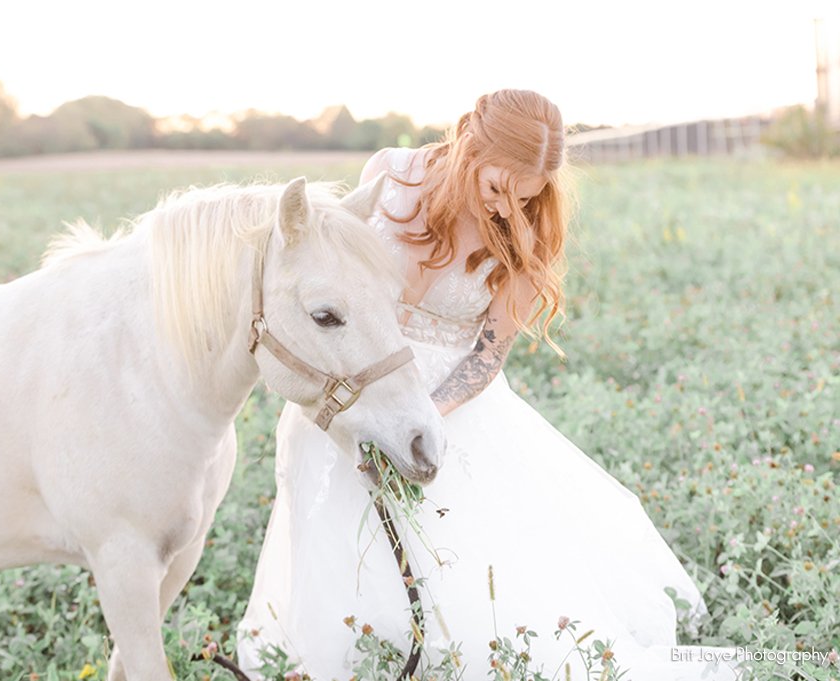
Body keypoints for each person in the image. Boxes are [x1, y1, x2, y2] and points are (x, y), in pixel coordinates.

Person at [236, 90, 739, 680]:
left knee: (455, 560)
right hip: (351, 376)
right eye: (500, 189)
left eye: (523, 197)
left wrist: (425, 413)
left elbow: (487, 354)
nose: (507, 209)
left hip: (446, 402)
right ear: (469, 147)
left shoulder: (526, 231)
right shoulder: (389, 174)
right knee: (328, 522)